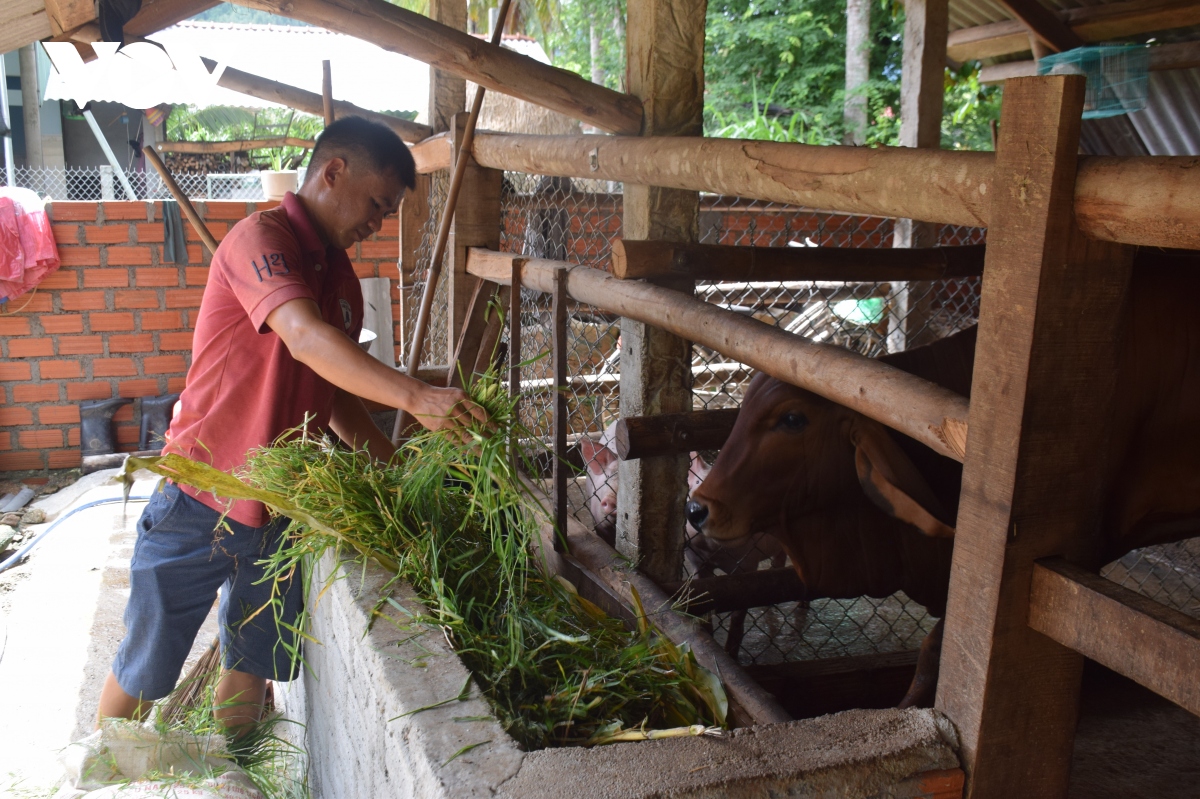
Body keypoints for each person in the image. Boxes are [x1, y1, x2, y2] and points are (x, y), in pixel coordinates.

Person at [97, 117, 488, 730]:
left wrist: (396, 474)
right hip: (203, 493)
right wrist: (416, 396)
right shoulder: (261, 240)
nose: (378, 223)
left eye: (388, 213)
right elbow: (304, 339)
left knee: (251, 663)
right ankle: (100, 776)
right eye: (378, 205)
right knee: (147, 667)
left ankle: (238, 774)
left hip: (281, 506)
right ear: (334, 172)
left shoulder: (340, 280)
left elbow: (330, 393)